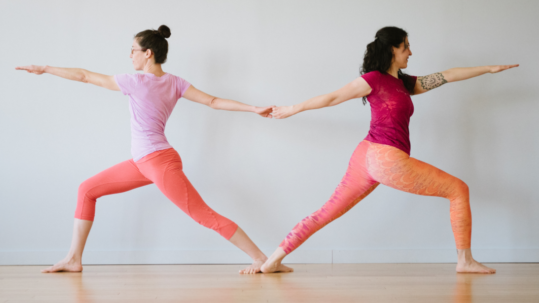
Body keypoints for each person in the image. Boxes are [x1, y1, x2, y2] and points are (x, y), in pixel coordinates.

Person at [16, 25, 272, 274]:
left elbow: (84, 76)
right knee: (87, 190)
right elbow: (213, 102)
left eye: (133, 50)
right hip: (143, 162)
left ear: (148, 53)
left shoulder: (135, 81)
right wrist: (253, 109)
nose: (130, 55)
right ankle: (73, 259)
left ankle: (261, 258)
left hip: (158, 161)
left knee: (203, 215)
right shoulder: (176, 82)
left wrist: (46, 68)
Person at [263, 26, 518, 274]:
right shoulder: (373, 79)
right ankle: (465, 261)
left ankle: (272, 261)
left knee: (327, 212)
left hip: (367, 155)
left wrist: (488, 69)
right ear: (392, 49)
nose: (410, 52)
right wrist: (292, 109)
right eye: (405, 47)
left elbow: (447, 75)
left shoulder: (405, 83)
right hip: (384, 157)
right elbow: (333, 97)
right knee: (458, 189)